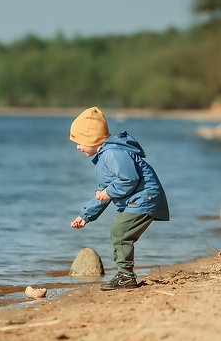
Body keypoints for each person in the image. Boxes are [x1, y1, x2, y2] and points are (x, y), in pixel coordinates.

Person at [68, 107, 169, 290]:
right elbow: (104, 191)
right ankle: (125, 274)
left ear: (93, 138)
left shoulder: (112, 153)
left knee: (120, 231)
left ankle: (126, 276)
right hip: (139, 198)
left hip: (145, 197)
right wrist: (85, 215)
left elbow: (129, 179)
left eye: (80, 141)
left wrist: (108, 192)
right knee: (120, 231)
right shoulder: (104, 156)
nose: (77, 146)